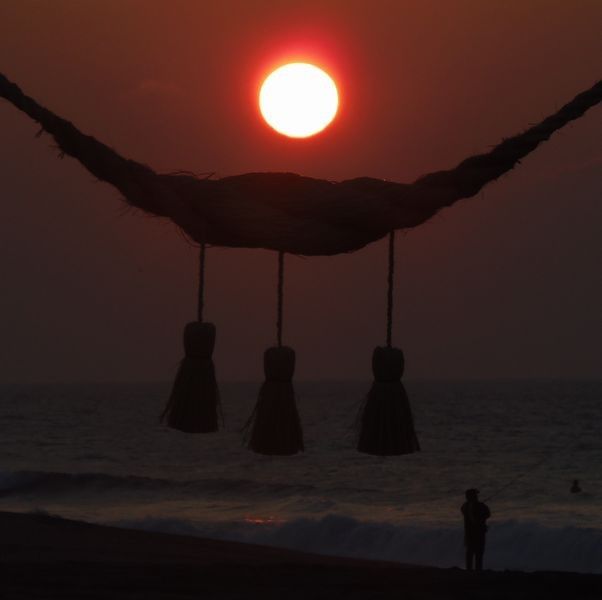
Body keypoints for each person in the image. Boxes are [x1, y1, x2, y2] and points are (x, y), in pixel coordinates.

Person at [461, 488, 491, 571]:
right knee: (479, 554)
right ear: (474, 496)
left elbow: (463, 510)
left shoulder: (464, 506)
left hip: (468, 534)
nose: (477, 496)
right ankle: (478, 572)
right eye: (476, 495)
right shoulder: (480, 506)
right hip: (479, 534)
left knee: (469, 553)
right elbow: (488, 514)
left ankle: (469, 571)